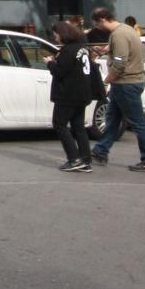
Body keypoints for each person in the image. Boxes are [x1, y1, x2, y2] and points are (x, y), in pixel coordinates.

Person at [89, 6, 145, 173]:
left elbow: (120, 62)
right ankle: (100, 151)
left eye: (97, 24)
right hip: (130, 81)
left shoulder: (119, 35)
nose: (97, 28)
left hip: (126, 83)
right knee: (113, 118)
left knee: (137, 122)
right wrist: (106, 50)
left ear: (102, 20)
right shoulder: (127, 30)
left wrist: (107, 80)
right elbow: (123, 52)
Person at [47, 19, 104, 173]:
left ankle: (74, 158)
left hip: (68, 94)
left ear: (63, 34)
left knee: (59, 124)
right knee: (79, 127)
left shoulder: (68, 50)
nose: (55, 38)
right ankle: (85, 159)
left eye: (56, 34)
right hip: (83, 93)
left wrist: (50, 63)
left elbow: (60, 71)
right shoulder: (83, 49)